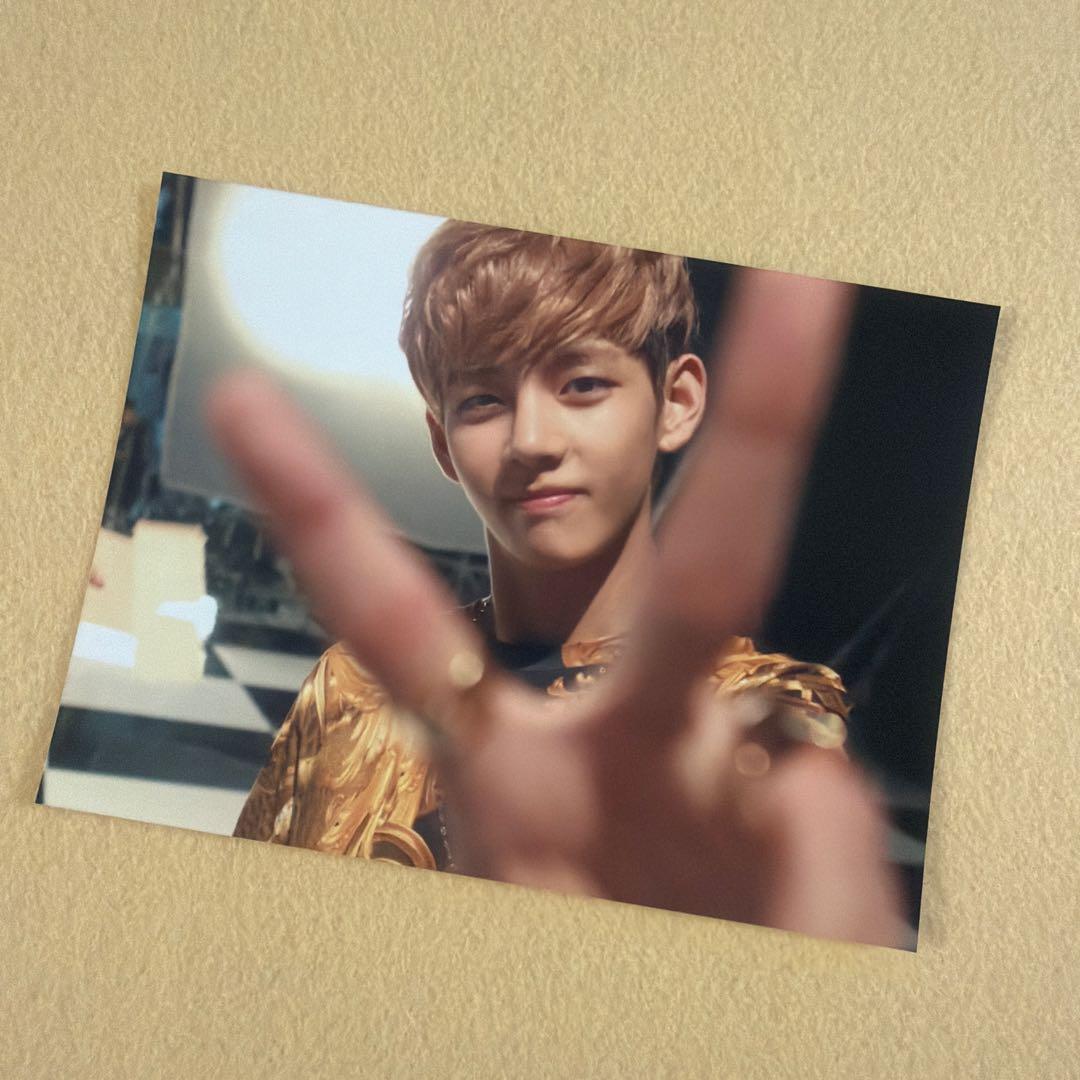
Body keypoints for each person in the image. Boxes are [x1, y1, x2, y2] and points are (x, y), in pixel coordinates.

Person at [214, 222, 906, 947]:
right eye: (483, 400)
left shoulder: (754, 718)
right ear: (442, 442)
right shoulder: (351, 688)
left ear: (676, 401)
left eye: (583, 385)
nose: (533, 441)